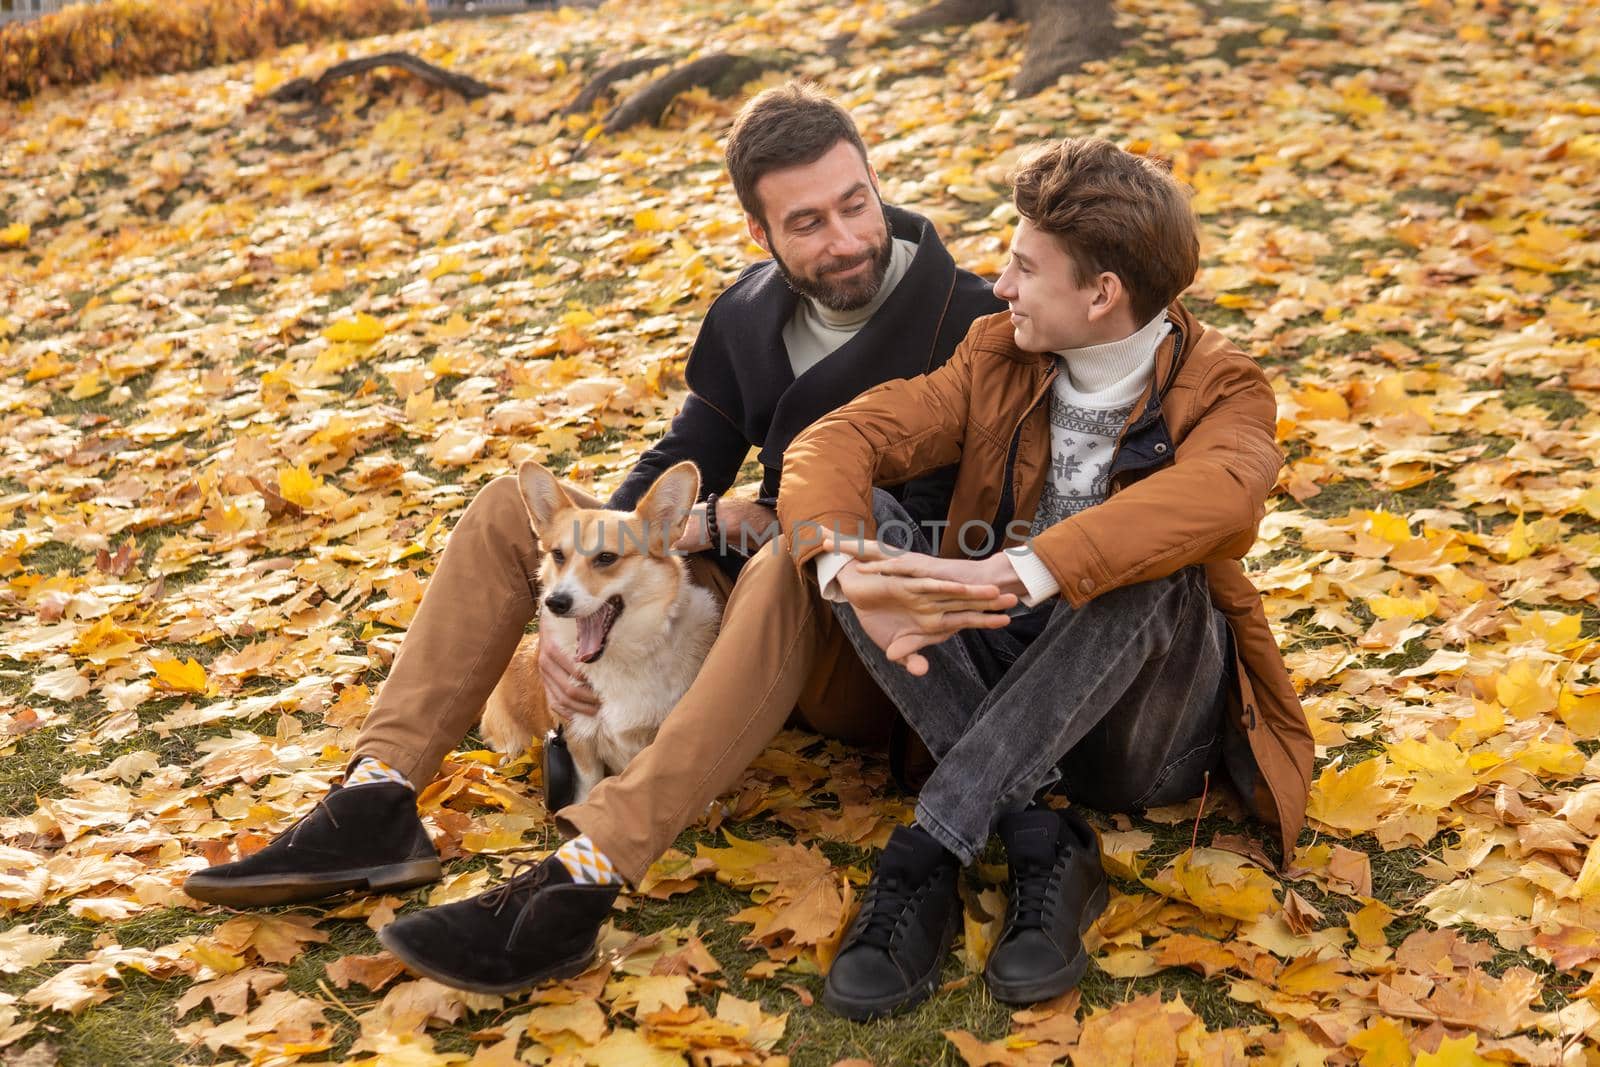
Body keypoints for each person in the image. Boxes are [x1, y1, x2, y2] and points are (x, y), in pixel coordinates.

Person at [183, 83, 1005, 993]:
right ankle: (376, 794)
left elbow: (946, 524)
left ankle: (584, 872)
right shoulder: (750, 312)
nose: (846, 238)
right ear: (759, 235)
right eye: (806, 222)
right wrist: (584, 589)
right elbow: (685, 449)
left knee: (785, 559)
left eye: (857, 203)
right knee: (510, 508)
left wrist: (761, 519)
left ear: (875, 179)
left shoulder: (964, 318)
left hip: (871, 647)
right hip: (736, 610)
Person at [773, 137, 1314, 1018]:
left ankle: (932, 848)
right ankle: (1039, 833)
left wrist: (1028, 570)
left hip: (1138, 732)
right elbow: (837, 442)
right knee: (864, 529)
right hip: (1003, 681)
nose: (1000, 285)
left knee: (1155, 560)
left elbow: (1223, 499)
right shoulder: (997, 354)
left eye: (1025, 267)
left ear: (1102, 295)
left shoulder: (1224, 387)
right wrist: (847, 573)